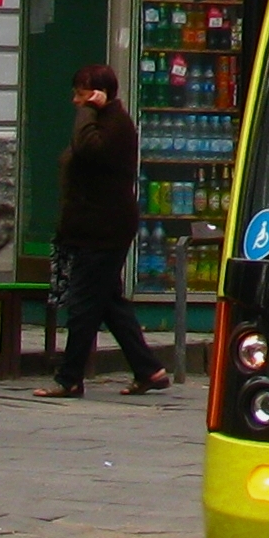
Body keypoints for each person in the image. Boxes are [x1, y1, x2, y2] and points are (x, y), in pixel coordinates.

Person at [35, 66, 169, 398]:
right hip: (93, 225)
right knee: (109, 301)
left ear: (98, 94)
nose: (74, 100)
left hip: (103, 228)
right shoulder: (101, 121)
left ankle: (70, 377)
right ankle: (149, 369)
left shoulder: (113, 125)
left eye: (81, 94)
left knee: (83, 304)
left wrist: (87, 111)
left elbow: (87, 149)